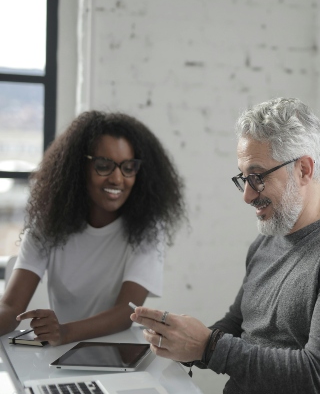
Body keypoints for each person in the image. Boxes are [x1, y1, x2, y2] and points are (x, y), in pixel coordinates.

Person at [131, 98, 320, 393]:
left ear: (304, 169)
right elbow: (240, 323)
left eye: (257, 177)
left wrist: (206, 347)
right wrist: (180, 340)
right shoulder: (268, 237)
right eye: (244, 178)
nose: (247, 195)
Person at [0, 111, 185, 346]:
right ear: (78, 168)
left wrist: (64, 332)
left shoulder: (147, 230)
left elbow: (125, 313)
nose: (118, 178)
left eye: (128, 167)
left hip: (119, 354)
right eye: (104, 166)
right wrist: (60, 334)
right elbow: (9, 307)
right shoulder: (49, 224)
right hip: (61, 353)